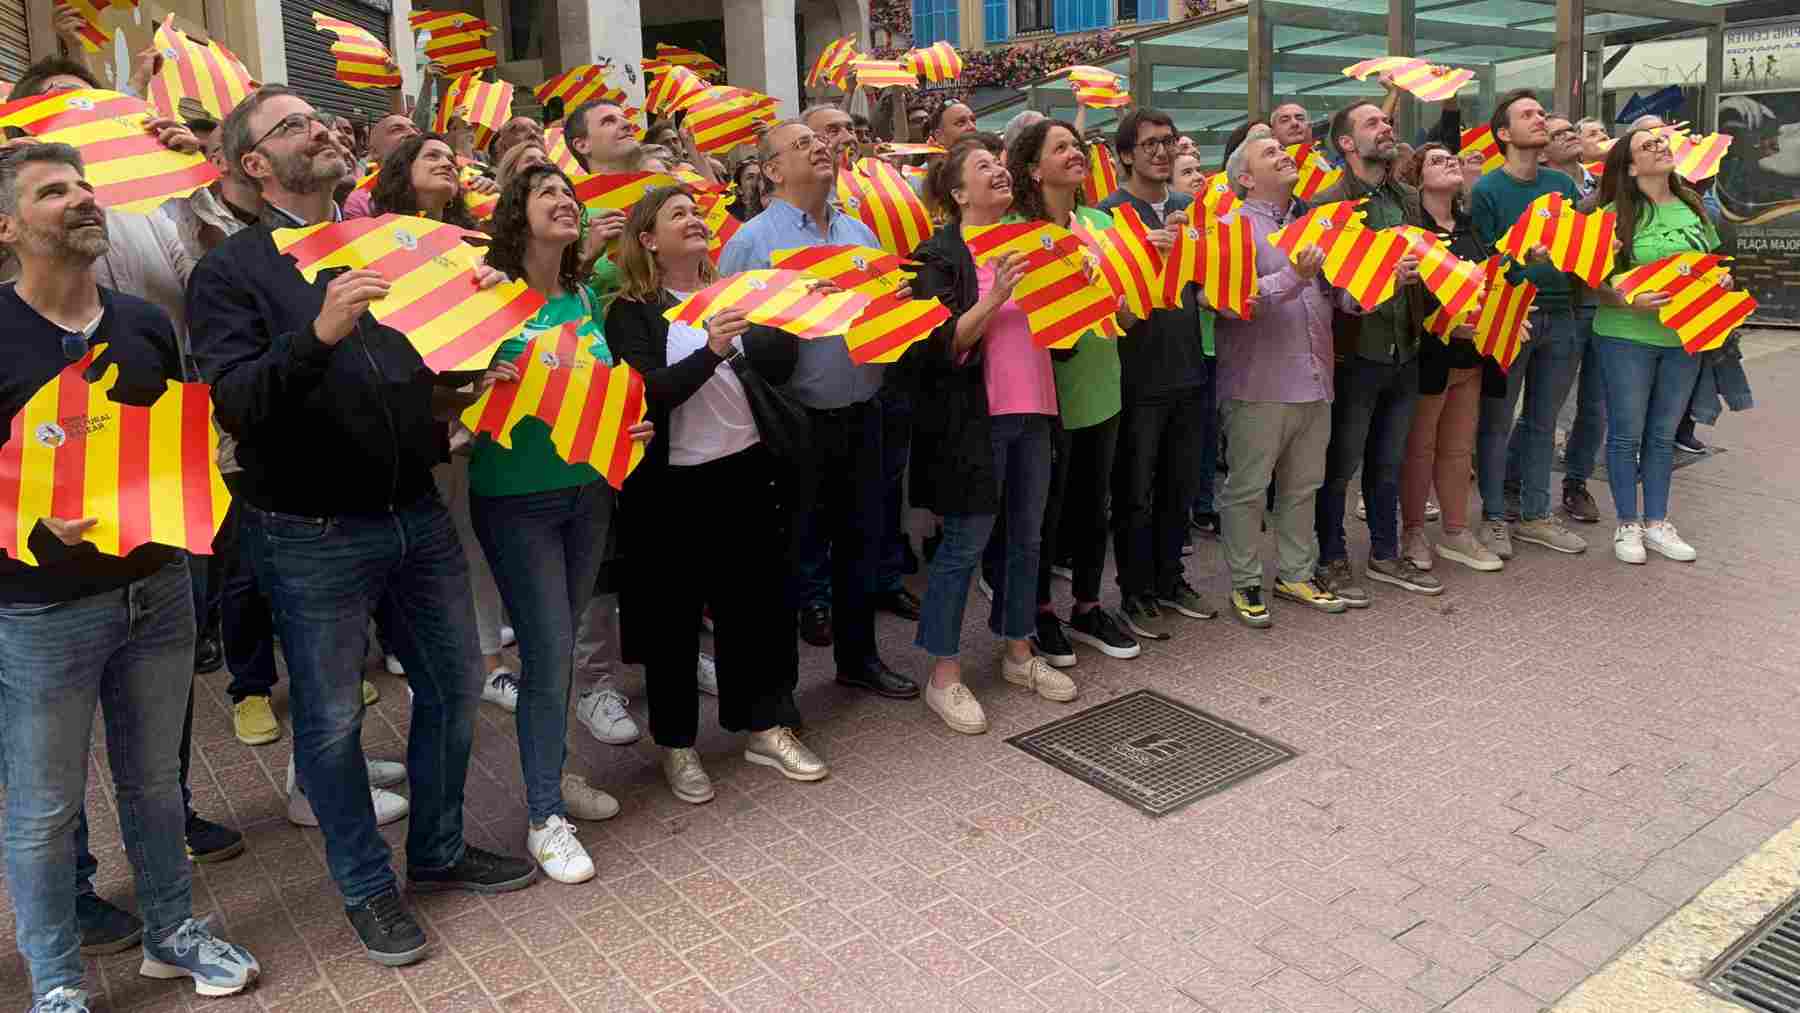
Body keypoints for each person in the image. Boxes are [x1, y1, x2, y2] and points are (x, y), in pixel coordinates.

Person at [188, 85, 537, 967]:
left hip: (414, 509)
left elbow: (418, 376)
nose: (320, 128)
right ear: (255, 165)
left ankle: (441, 851)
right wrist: (319, 330)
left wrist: (476, 343)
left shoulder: (392, 244)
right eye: (293, 125)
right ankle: (365, 886)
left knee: (457, 688)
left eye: (318, 118)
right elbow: (236, 404)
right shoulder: (231, 272)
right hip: (309, 530)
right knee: (333, 722)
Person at [0, 141, 261, 1012]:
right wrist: (27, 520)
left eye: (83, 185)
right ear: (8, 226)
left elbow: (175, 444)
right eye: (51, 191)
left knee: (156, 781)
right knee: (44, 807)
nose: (80, 199)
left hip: (158, 588)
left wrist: (202, 499)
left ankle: (169, 932)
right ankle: (59, 979)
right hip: (41, 610)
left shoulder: (144, 324)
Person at [605, 185, 828, 801]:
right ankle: (677, 745)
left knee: (754, 612)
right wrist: (711, 349)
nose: (694, 220)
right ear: (648, 239)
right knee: (673, 625)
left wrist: (796, 315)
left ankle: (762, 725)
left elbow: (775, 369)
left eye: (696, 211)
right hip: (672, 488)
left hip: (747, 471)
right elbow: (647, 393)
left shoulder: (732, 294)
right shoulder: (632, 311)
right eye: (677, 215)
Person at [471, 163, 654, 881]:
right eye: (546, 192)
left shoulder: (581, 293)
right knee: (547, 652)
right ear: (517, 213)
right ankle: (545, 815)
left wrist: (625, 428)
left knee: (560, 648)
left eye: (570, 195)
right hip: (516, 499)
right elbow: (458, 389)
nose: (564, 202)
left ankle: (554, 774)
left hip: (588, 494)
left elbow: (597, 388)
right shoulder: (486, 295)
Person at [718, 120, 916, 699]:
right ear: (773, 170)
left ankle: (860, 657)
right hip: (796, 419)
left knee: (862, 539)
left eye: (821, 141)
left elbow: (882, 319)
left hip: (864, 407)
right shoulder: (752, 243)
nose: (820, 148)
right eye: (802, 144)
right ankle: (781, 693)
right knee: (795, 547)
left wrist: (893, 303)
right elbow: (728, 337)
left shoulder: (858, 232)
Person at [907, 134, 1079, 734]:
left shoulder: (1036, 242)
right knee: (964, 546)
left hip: (1035, 409)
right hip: (974, 423)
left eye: (1001, 166)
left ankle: (1018, 652)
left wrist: (1073, 288)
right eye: (984, 167)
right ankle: (944, 675)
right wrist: (997, 295)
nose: (1000, 174)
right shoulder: (938, 255)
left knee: (1027, 541)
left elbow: (1063, 336)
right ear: (957, 192)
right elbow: (942, 344)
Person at [991, 118, 1141, 665]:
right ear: (1033, 168)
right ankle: (1039, 612)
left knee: (1093, 504)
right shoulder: (1012, 231)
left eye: (1077, 146)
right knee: (1041, 513)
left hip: (1103, 378)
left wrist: (1124, 303)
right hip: (1044, 387)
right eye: (1061, 148)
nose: (1076, 154)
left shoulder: (1101, 222)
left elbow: (1125, 304)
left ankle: (1086, 604)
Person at [1309, 102, 1442, 603]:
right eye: (1372, 123)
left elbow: (1426, 263)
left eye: (1386, 122)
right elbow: (1327, 281)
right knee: (1339, 467)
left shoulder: (1407, 197)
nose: (1386, 127)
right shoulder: (1327, 203)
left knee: (1387, 463)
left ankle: (1386, 555)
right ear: (1346, 143)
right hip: (1354, 353)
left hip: (1404, 347)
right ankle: (1332, 558)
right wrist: (1386, 274)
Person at [1214, 128, 1344, 626]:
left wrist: (1379, 283)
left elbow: (1336, 294)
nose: (1284, 154)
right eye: (1270, 152)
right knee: (1247, 489)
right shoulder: (1231, 228)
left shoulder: (1313, 222)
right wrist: (1295, 275)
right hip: (1258, 385)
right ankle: (1245, 581)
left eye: (1283, 149)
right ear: (1246, 178)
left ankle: (1295, 573)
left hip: (1316, 379)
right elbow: (1232, 301)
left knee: (1303, 485)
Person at [1096, 108, 1217, 638]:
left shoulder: (1194, 209)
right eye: (1149, 145)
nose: (1162, 152)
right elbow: (1108, 298)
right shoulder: (1106, 216)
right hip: (1136, 374)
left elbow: (1208, 281)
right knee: (1135, 491)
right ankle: (1135, 589)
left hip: (1191, 367)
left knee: (1180, 484)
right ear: (1126, 155)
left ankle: (1172, 578)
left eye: (1168, 142)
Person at [1469, 89, 1588, 559]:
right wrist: (1521, 257)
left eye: (1541, 113)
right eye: (1529, 115)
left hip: (1561, 315)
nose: (1541, 119)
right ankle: (1495, 518)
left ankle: (1537, 515)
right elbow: (1480, 264)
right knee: (1496, 422)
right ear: (1504, 133)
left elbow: (1580, 250)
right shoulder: (1486, 192)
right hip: (1509, 316)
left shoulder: (1561, 187)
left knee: (1542, 423)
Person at [1591, 127, 1717, 564]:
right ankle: (1627, 524)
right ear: (1630, 165)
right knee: (1626, 434)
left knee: (1662, 435)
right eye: (1649, 145)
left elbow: (1711, 264)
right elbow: (1592, 282)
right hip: (1626, 337)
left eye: (1662, 141)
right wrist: (1629, 298)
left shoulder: (1692, 206)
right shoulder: (1612, 214)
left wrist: (1723, 281)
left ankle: (1658, 522)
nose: (1661, 147)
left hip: (1686, 336)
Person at [1399, 143, 1507, 573]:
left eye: (1452, 159)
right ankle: (1412, 532)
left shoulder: (1470, 225)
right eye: (1437, 161)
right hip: (1429, 355)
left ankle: (1456, 531)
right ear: (1417, 176)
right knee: (1420, 449)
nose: (1450, 164)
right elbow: (1407, 295)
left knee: (1459, 450)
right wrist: (1445, 321)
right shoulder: (1410, 229)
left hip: (1472, 354)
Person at [1542, 113, 1607, 525]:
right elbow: (1564, 233)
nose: (1567, 137)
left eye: (1571, 131)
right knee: (1546, 404)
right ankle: (1518, 485)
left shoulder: (1600, 179)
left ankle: (1576, 483)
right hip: (1566, 303)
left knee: (1595, 406)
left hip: (1607, 303)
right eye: (1558, 134)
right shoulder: (1547, 187)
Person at [342, 113, 421, 219]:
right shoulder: (360, 202)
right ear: (374, 152)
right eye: (397, 129)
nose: (413, 133)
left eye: (417, 130)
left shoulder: (442, 188)